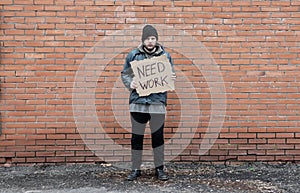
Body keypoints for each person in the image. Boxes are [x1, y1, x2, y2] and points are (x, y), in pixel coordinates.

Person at [121, 25, 176, 181]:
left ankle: (159, 170)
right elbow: (125, 74)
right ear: (143, 40)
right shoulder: (133, 55)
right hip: (138, 103)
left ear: (156, 39)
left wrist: (171, 78)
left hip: (157, 103)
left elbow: (170, 74)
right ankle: (135, 169)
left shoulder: (165, 56)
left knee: (158, 137)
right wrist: (130, 83)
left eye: (153, 38)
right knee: (136, 137)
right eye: (147, 38)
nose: (150, 41)